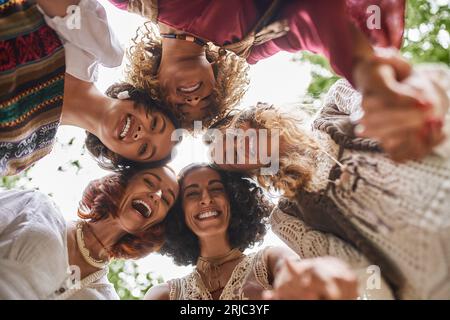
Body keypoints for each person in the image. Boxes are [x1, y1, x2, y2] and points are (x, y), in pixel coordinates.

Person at [207, 64, 450, 299]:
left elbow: (396, 102)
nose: (239, 149)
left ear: (250, 118)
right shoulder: (286, 218)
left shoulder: (336, 103)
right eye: (233, 158)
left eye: (232, 138)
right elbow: (358, 272)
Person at [112, 0, 444, 161]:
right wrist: (370, 74)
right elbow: (315, 18)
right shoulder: (253, 43)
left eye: (180, 110)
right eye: (204, 108)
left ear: (152, 87)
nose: (195, 101)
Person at [0, 0, 180, 176]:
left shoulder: (25, 154)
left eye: (144, 149)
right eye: (155, 123)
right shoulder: (98, 48)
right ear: (142, 99)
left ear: (117, 156)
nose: (142, 133)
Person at [145, 163, 360, 300]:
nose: (207, 198)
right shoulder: (163, 295)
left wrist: (319, 277)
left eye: (216, 189)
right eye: (192, 194)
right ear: (178, 213)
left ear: (235, 200)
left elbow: (299, 272)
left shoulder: (269, 260)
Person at [0, 165, 179, 299]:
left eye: (166, 199)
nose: (157, 195)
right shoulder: (35, 207)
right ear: (123, 182)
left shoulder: (106, 296)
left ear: (158, 223)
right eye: (149, 181)